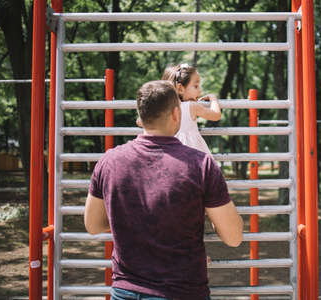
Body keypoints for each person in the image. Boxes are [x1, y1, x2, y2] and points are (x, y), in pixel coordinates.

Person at [84, 80, 243, 300]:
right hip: (183, 292)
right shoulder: (201, 165)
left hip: (125, 291)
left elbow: (92, 225)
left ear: (140, 118)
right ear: (176, 114)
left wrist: (134, 219)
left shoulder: (109, 162)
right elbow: (234, 237)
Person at [162, 63, 221, 154]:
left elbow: (141, 121)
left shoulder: (163, 109)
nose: (200, 90)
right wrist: (213, 98)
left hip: (171, 152)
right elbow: (216, 115)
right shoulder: (191, 106)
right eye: (196, 86)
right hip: (192, 154)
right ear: (180, 88)